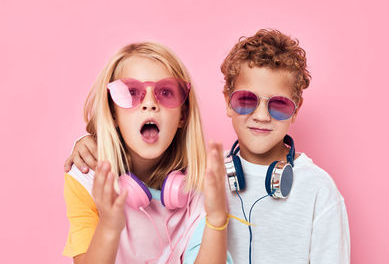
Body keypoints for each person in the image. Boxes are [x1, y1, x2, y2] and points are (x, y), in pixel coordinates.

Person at [65, 29, 350, 263]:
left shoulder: (318, 190)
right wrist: (90, 140)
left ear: (295, 109)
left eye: (279, 105)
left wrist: (215, 218)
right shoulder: (207, 177)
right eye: (246, 100)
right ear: (227, 101)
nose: (262, 115)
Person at [63, 42, 232, 264]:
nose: (150, 104)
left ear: (182, 116)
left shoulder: (199, 188)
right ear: (113, 113)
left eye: (166, 92)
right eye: (131, 92)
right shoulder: (86, 179)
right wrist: (109, 228)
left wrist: (217, 219)